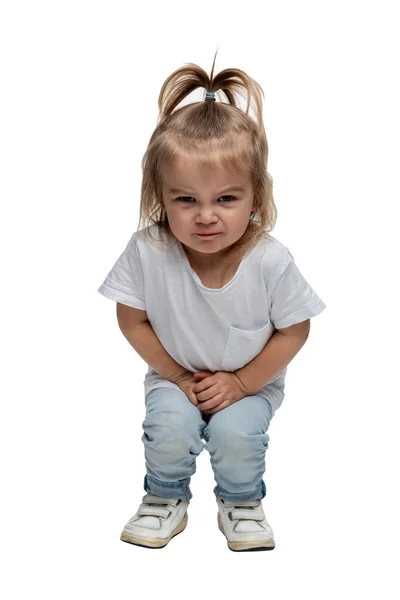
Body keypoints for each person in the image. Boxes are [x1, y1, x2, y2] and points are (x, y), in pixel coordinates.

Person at [97, 50, 327, 552]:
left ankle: (241, 501)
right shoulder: (148, 250)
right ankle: (164, 498)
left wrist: (243, 383)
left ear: (256, 197)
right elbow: (131, 320)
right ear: (160, 195)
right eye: (185, 200)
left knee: (236, 436)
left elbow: (295, 329)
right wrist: (177, 377)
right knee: (168, 427)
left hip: (251, 384)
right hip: (173, 374)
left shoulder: (270, 260)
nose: (205, 216)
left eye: (226, 199)